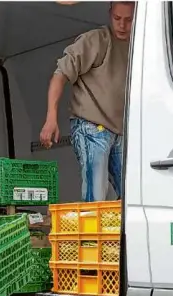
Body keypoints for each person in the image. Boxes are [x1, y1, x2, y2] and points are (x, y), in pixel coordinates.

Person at [39, 1, 135, 202]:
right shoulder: (96, 40)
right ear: (110, 14)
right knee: (96, 197)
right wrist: (51, 118)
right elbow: (60, 75)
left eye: (128, 20)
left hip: (120, 132)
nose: (122, 25)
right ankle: (93, 234)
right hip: (92, 127)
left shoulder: (138, 47)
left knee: (132, 193)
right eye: (117, 18)